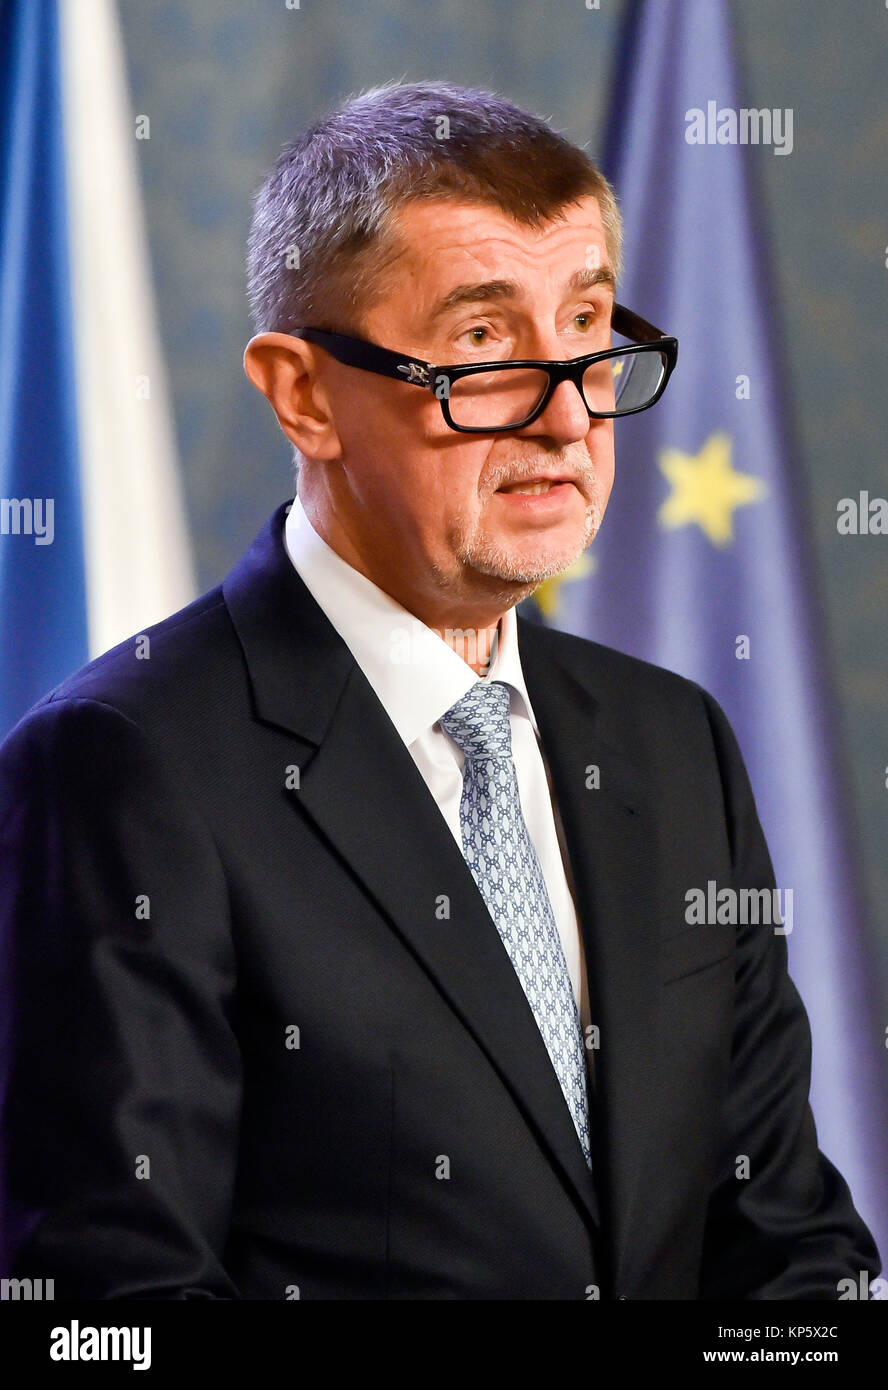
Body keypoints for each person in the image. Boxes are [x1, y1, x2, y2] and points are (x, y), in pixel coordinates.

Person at [0, 80, 879, 1300]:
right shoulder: (125, 763)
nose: (569, 418)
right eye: (483, 347)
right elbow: (112, 1310)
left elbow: (789, 1239)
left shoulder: (673, 739)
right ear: (306, 394)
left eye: (588, 329)